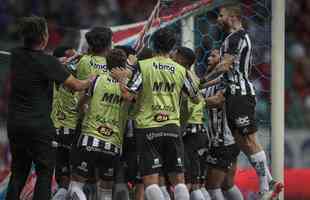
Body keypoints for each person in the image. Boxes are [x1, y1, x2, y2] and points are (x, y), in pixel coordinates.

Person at [6, 16, 94, 200]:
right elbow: (76, 85)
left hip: (15, 124)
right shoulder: (48, 63)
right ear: (44, 37)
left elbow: (38, 64)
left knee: (18, 172)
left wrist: (57, 65)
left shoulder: (15, 55)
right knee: (45, 172)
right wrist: (92, 80)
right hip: (39, 126)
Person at [201, 5, 283, 199]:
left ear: (233, 17)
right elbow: (224, 75)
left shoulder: (235, 37)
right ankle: (269, 181)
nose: (218, 20)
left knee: (249, 140)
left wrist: (202, 81)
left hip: (240, 94)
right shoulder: (232, 39)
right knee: (243, 141)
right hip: (234, 94)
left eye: (221, 16)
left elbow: (224, 66)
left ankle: (265, 187)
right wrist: (202, 84)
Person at [112, 28, 200, 200]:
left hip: (147, 128)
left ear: (153, 45)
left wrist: (121, 79)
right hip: (172, 127)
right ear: (172, 48)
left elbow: (128, 96)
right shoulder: (181, 70)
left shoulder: (143, 66)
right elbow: (196, 98)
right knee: (179, 181)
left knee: (151, 182)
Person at [68, 48, 130, 200]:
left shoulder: (95, 79)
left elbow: (81, 103)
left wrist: (83, 107)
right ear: (124, 64)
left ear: (107, 63)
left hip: (90, 139)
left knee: (75, 186)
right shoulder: (130, 87)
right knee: (105, 193)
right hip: (113, 144)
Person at [170, 46, 210, 200]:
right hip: (198, 131)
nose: (172, 54)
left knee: (186, 182)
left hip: (189, 132)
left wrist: (179, 129)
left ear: (181, 60)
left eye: (175, 53)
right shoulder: (192, 77)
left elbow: (186, 108)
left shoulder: (183, 77)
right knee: (195, 183)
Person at [202, 49, 243, 200]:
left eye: (213, 55)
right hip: (228, 140)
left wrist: (198, 102)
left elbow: (219, 101)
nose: (208, 58)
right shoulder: (208, 81)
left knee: (212, 187)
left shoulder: (224, 80)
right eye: (209, 55)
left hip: (223, 140)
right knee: (227, 184)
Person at [51, 46, 82, 200]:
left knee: (64, 180)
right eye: (71, 55)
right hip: (73, 132)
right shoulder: (74, 75)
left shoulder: (49, 72)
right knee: (76, 181)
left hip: (56, 132)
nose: (75, 57)